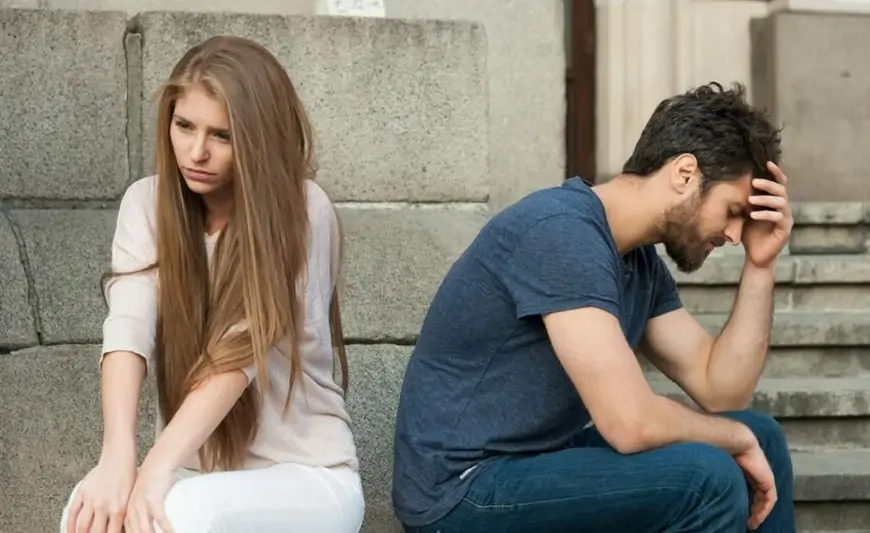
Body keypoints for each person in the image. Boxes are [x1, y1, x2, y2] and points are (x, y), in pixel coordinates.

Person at [391, 82, 796, 533]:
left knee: (763, 437)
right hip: (462, 490)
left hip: (538, 461)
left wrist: (761, 265)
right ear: (685, 174)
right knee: (709, 476)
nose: (736, 236)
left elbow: (720, 388)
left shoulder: (637, 261)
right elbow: (629, 422)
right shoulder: (561, 232)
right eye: (733, 210)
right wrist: (733, 438)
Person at [60, 36, 365, 533]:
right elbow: (128, 328)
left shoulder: (303, 209)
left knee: (184, 513)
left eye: (222, 135)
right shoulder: (146, 204)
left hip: (306, 479)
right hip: (193, 466)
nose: (196, 151)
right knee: (87, 511)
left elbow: (240, 350)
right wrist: (118, 456)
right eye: (184, 126)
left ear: (259, 138)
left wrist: (155, 468)